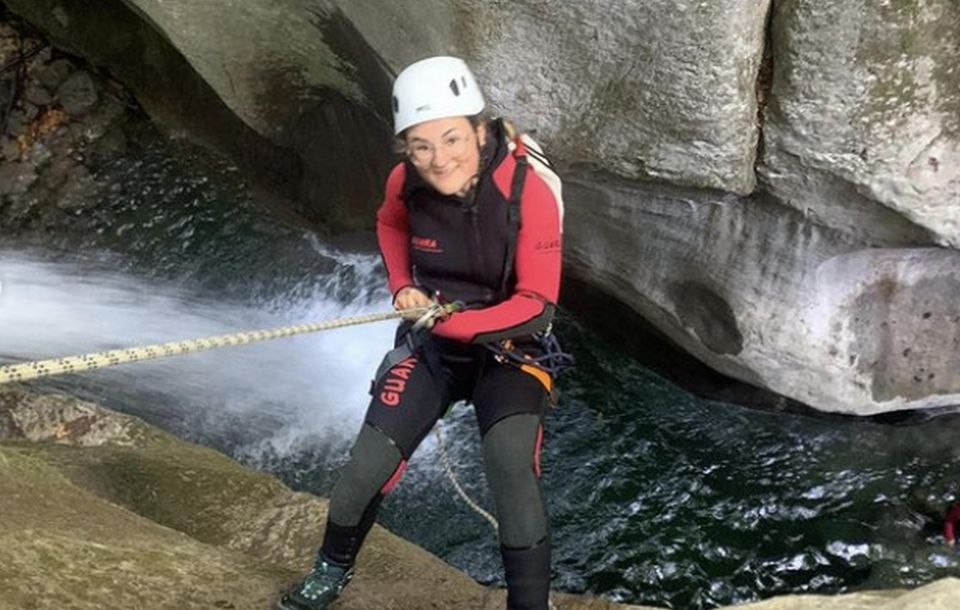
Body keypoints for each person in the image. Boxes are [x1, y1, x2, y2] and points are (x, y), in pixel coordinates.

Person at [279, 55, 563, 610]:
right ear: (405, 148)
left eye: (452, 139)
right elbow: (390, 222)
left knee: (510, 464)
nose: (439, 160)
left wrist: (454, 322)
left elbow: (537, 307)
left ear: (480, 132)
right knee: (364, 468)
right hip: (431, 343)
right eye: (421, 145)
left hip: (508, 349)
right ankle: (329, 573)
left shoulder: (529, 189)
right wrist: (401, 286)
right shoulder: (404, 180)